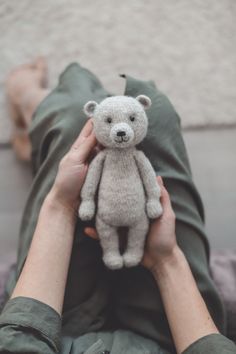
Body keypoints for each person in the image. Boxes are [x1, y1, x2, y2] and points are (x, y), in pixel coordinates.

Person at [0, 58, 235, 354]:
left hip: (58, 334)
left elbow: (22, 338)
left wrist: (62, 205)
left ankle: (27, 103)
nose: (121, 130)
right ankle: (35, 119)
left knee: (73, 116)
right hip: (172, 342)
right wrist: (166, 259)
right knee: (159, 114)